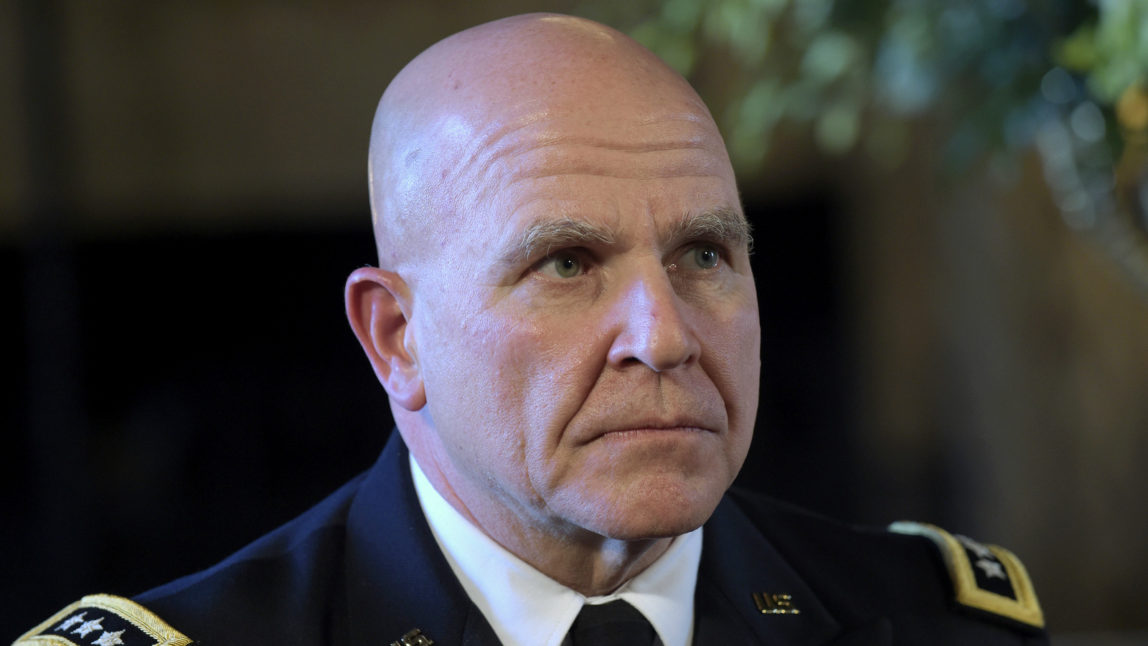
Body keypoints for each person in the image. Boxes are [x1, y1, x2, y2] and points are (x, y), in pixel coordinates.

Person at [15, 13, 1049, 646]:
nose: (664, 336)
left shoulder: (937, 622)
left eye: (702, 255)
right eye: (566, 264)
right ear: (394, 338)